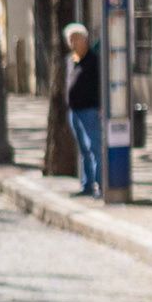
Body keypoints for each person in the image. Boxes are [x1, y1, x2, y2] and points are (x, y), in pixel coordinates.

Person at [64, 20, 105, 194]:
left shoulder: (94, 60)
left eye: (77, 39)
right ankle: (86, 184)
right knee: (83, 150)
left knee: (94, 147)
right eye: (71, 39)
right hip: (74, 111)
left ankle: (100, 183)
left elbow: (100, 84)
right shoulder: (71, 60)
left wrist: (101, 106)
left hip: (90, 109)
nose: (74, 43)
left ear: (85, 39)